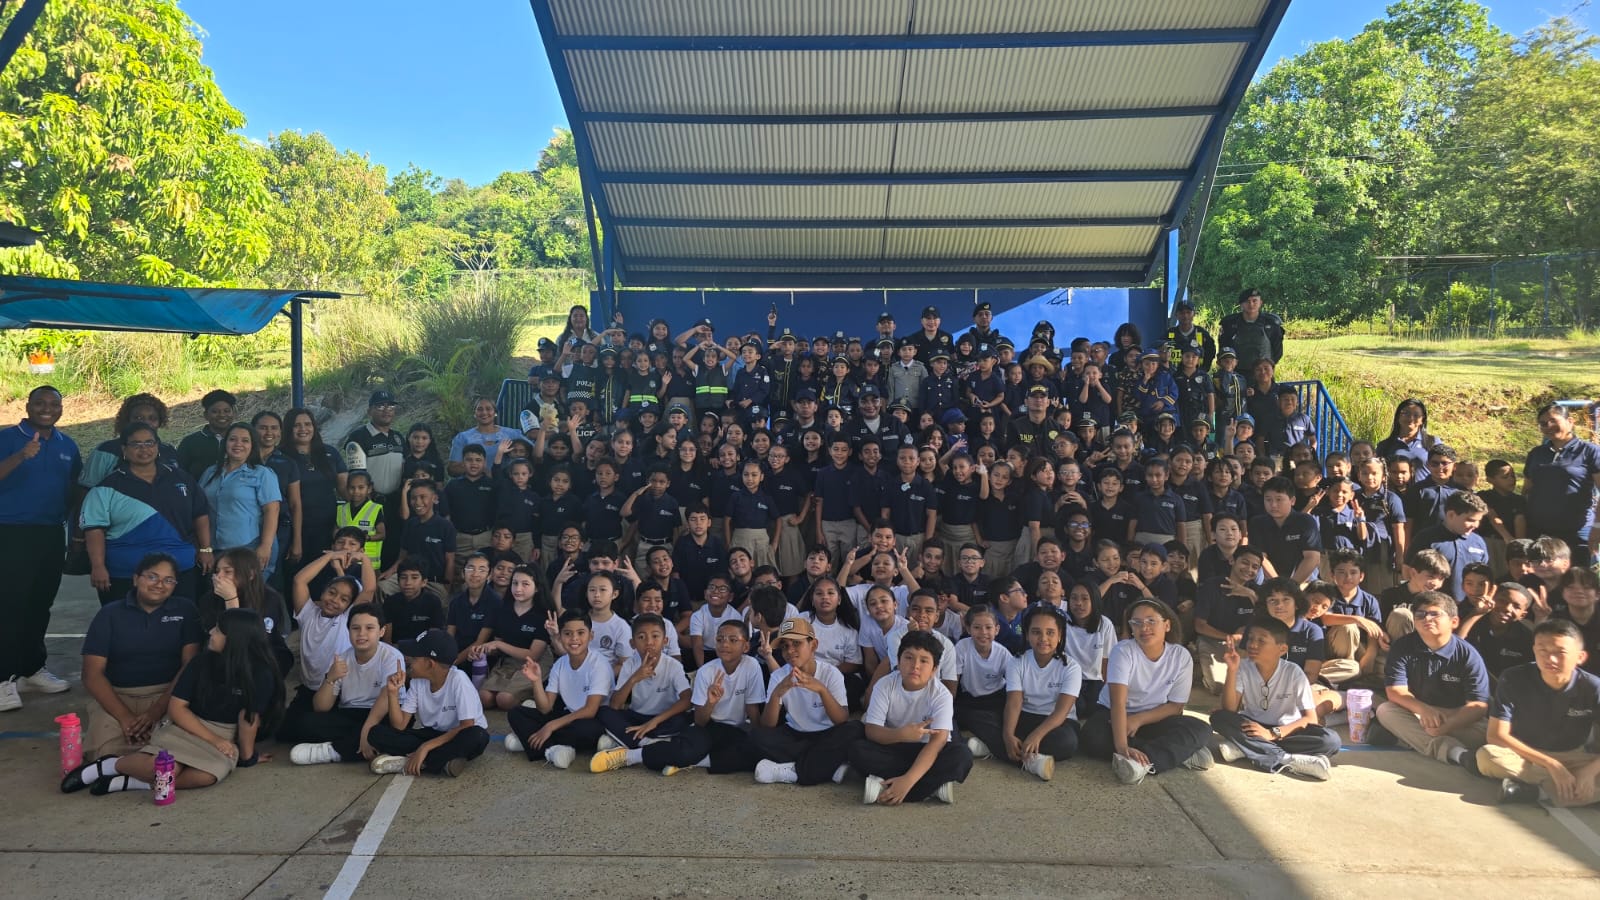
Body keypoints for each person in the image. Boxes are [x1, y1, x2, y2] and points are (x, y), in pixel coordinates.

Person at [63, 608, 282, 796]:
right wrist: (214, 740)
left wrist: (247, 757)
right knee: (165, 768)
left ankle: (132, 783)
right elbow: (177, 708)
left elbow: (248, 719)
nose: (211, 632)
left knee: (206, 776)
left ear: (234, 639)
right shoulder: (200, 663)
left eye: (218, 630)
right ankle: (108, 766)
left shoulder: (261, 674)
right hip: (185, 726)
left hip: (225, 733)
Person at [0, 385, 82, 709]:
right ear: (28, 406)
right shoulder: (7, 439)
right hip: (11, 532)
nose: (47, 408)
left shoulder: (67, 445)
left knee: (39, 604)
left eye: (53, 404)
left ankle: (31, 669)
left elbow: (72, 489)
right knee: (10, 605)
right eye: (40, 403)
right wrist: (21, 456)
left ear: (61, 409)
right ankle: (3, 678)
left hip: (50, 533)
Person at [76, 553, 203, 759]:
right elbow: (92, 675)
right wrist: (125, 718)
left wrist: (156, 711)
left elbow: (190, 666)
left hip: (170, 696)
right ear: (136, 579)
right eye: (152, 577)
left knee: (177, 750)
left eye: (168, 580)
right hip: (118, 696)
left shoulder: (186, 610)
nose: (159, 585)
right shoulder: (110, 614)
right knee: (105, 751)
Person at [1081, 599, 1213, 785]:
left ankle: (1141, 763)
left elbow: (1176, 706)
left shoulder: (1180, 656)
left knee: (1202, 729)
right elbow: (1118, 703)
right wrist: (1122, 747)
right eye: (1137, 622)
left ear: (1167, 625)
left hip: (1154, 716)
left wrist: (1138, 720)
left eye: (1151, 621)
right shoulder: (1123, 651)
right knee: (1092, 737)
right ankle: (1178, 753)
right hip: (1114, 714)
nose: (1144, 627)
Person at [80, 422, 212, 607]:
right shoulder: (106, 488)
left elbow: (200, 514)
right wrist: (98, 566)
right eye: (136, 444)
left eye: (149, 443)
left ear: (157, 446)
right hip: (125, 573)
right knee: (126, 623)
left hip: (180, 569)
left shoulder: (182, 478)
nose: (144, 449)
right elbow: (94, 530)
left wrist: (206, 550)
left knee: (181, 621)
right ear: (124, 449)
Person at [1477, 619, 1600, 805]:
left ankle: (1536, 792)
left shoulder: (1593, 687)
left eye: (1560, 653)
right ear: (1534, 650)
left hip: (1573, 756)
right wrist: (1552, 765)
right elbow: (1496, 735)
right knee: (1487, 756)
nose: (1550, 659)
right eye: (1543, 651)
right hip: (1524, 754)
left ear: (1580, 657)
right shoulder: (1513, 677)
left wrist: (1589, 772)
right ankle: (1568, 792)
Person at [1369, 593, 1491, 773]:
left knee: (1485, 731)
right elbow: (1395, 692)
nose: (1426, 618)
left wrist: (1447, 724)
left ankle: (1405, 738)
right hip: (1418, 714)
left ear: (1454, 621)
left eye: (1435, 614)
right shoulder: (1402, 647)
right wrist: (1424, 710)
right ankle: (1458, 754)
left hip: (1458, 718)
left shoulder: (1468, 655)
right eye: (1420, 615)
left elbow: (1478, 707)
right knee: (1386, 710)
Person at [850, 630, 971, 804]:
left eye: (924, 661)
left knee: (961, 756)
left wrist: (908, 780)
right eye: (908, 658)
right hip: (893, 746)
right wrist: (901, 734)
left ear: (934, 670)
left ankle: (886, 787)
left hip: (927, 750)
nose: (915, 666)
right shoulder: (884, 685)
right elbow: (872, 730)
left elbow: (938, 741)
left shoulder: (941, 694)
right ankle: (932, 787)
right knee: (857, 750)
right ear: (898, 662)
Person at [1211, 617, 1340, 780]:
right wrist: (1231, 670)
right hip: (1252, 726)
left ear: (1282, 649)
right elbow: (1230, 709)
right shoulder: (1243, 667)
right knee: (1219, 717)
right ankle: (1287, 759)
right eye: (1250, 639)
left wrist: (1272, 733)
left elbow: (1310, 718)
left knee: (1330, 740)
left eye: (1261, 640)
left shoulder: (1293, 672)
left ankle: (1247, 748)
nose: (1252, 645)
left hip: (1286, 730)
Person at [964, 605, 1082, 782]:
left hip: (1057, 723)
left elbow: (1061, 712)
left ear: (1060, 636)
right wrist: (1008, 735)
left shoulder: (1071, 667)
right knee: (980, 717)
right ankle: (1031, 761)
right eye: (1036, 632)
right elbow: (1014, 703)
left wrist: (1036, 736)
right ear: (1027, 635)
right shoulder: (1017, 662)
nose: (1043, 638)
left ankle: (993, 748)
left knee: (1067, 743)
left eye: (1050, 632)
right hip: (1025, 716)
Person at [286, 602, 406, 766]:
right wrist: (330, 678)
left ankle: (333, 751)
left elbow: (386, 698)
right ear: (348, 631)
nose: (361, 633)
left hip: (382, 713)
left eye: (369, 628)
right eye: (355, 628)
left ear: (381, 631)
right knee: (306, 723)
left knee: (386, 733)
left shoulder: (392, 656)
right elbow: (321, 707)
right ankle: (360, 747)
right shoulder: (342, 658)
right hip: (351, 713)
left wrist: (366, 731)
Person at [365, 628, 491, 776]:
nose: (408, 660)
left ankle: (412, 762)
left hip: (460, 734)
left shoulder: (459, 680)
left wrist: (425, 747)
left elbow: (467, 725)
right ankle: (440, 761)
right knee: (375, 733)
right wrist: (393, 693)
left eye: (414, 658)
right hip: (435, 734)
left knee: (477, 736)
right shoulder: (418, 681)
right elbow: (399, 725)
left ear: (430, 664)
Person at [750, 617, 858, 786]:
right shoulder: (779, 676)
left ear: (813, 645)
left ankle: (793, 771)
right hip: (795, 735)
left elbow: (841, 719)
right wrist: (778, 693)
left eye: (796, 644)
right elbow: (767, 725)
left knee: (856, 729)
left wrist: (821, 690)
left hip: (827, 735)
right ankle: (827, 766)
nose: (790, 650)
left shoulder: (831, 673)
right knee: (756, 736)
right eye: (785, 646)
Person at [506, 609, 613, 768]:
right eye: (568, 634)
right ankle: (555, 749)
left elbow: (590, 710)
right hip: (566, 715)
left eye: (580, 633)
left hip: (591, 719)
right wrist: (536, 681)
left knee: (585, 730)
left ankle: (533, 741)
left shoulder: (599, 665)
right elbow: (545, 708)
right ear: (560, 637)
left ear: (591, 636)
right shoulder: (560, 664)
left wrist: (551, 726)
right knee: (515, 713)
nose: (574, 638)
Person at [588, 614, 693, 773]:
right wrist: (634, 679)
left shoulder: (673, 666)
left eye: (655, 636)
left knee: (684, 719)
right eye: (642, 637)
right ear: (632, 643)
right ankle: (651, 745)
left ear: (665, 641)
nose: (649, 642)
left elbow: (687, 700)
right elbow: (615, 705)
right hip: (637, 718)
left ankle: (626, 743)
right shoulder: (630, 664)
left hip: (664, 719)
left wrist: (655, 721)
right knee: (604, 712)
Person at [199, 424, 283, 577]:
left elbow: (272, 510)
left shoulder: (262, 474)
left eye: (245, 440)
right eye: (233, 439)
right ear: (225, 443)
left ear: (252, 446)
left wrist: (265, 546)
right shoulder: (210, 472)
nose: (238, 444)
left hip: (250, 547)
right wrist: (205, 548)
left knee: (248, 592)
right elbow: (200, 509)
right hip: (215, 549)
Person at [1523, 403, 1600, 567]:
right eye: (1543, 423)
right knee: (1541, 575)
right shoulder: (1536, 454)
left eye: (1553, 420)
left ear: (1570, 421)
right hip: (1540, 531)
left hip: (1577, 530)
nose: (1548, 426)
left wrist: (1597, 527)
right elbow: (1527, 490)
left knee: (1577, 577)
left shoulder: (1589, 451)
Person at [285, 407, 347, 566]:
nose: (303, 429)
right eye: (297, 425)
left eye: (308, 424)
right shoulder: (282, 457)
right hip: (294, 528)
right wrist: (296, 540)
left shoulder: (330, 453)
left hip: (328, 526)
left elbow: (344, 490)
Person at [1217, 288, 1284, 375]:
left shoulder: (1271, 323)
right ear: (1241, 304)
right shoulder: (1230, 323)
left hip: (1263, 374)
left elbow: (1277, 352)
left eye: (1254, 301)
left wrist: (1266, 367)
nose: (1251, 304)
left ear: (1260, 303)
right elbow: (1223, 350)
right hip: (1236, 373)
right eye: (1247, 301)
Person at [174, 388, 235, 479]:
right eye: (215, 411)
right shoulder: (190, 442)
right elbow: (180, 474)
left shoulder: (242, 441)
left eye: (227, 411)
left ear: (233, 413)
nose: (222, 415)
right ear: (205, 415)